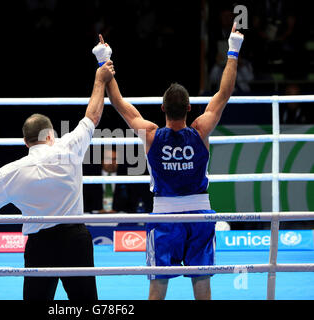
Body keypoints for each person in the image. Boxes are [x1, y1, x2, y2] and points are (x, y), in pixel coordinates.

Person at [95, 23, 244, 300]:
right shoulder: (201, 130)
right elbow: (224, 94)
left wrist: (104, 60)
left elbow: (118, 103)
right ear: (189, 108)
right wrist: (233, 50)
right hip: (200, 215)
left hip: (165, 217)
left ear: (162, 108)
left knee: (158, 287)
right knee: (201, 283)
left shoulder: (151, 134)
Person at [0, 60, 115, 300]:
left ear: (25, 141)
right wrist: (99, 78)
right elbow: (93, 115)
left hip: (40, 246)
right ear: (51, 135)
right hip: (76, 241)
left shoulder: (10, 172)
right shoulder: (68, 147)